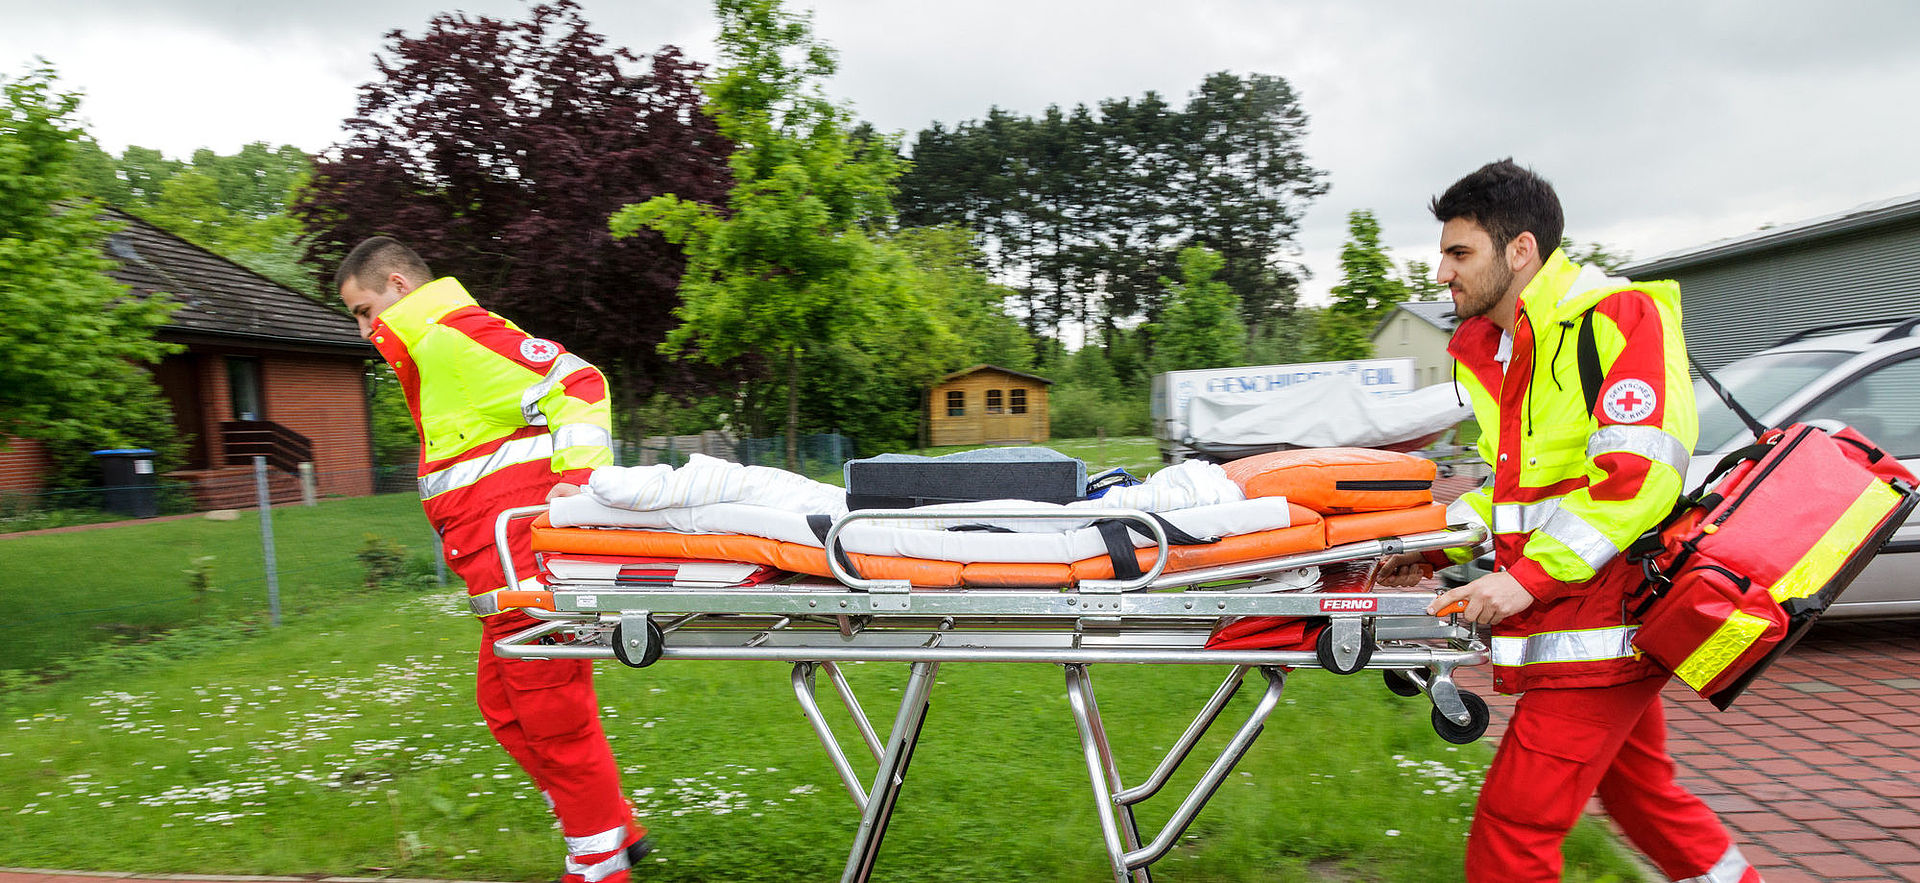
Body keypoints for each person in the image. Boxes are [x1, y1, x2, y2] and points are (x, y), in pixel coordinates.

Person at [1377, 160, 1762, 882]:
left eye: (1459, 253)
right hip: (1581, 624)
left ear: (1520, 249)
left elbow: (1641, 476)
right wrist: (1430, 547)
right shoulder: (1501, 350)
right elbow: (1518, 493)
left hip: (1603, 624)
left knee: (1511, 835)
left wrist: (1525, 579)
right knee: (1643, 798)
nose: (1440, 273)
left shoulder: (1616, 320)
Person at [337, 237, 651, 882]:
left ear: (398, 286)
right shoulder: (431, 355)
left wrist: (583, 482)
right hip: (497, 567)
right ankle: (612, 825)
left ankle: (599, 864)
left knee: (549, 713)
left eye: (366, 310)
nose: (366, 330)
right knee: (504, 706)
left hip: (525, 563)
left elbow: (579, 381)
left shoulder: (455, 336)